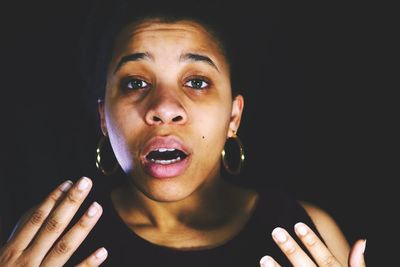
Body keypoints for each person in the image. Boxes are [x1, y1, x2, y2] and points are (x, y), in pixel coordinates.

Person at [0, 0, 367, 266]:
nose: (163, 107)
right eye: (134, 83)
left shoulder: (309, 231)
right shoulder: (46, 243)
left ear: (233, 117)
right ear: (103, 117)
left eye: (196, 81)